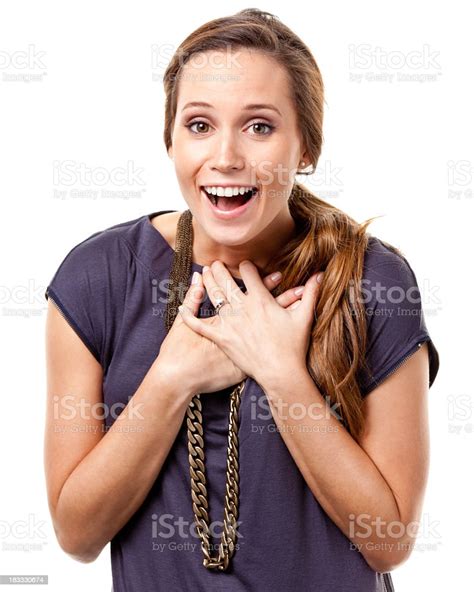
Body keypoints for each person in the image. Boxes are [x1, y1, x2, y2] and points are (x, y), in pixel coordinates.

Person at [44, 8, 439, 592]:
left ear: (305, 145)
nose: (225, 157)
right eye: (199, 125)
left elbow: (389, 540)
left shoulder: (370, 279)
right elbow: (77, 535)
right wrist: (172, 378)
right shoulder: (98, 278)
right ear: (170, 139)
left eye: (259, 127)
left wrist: (280, 372)